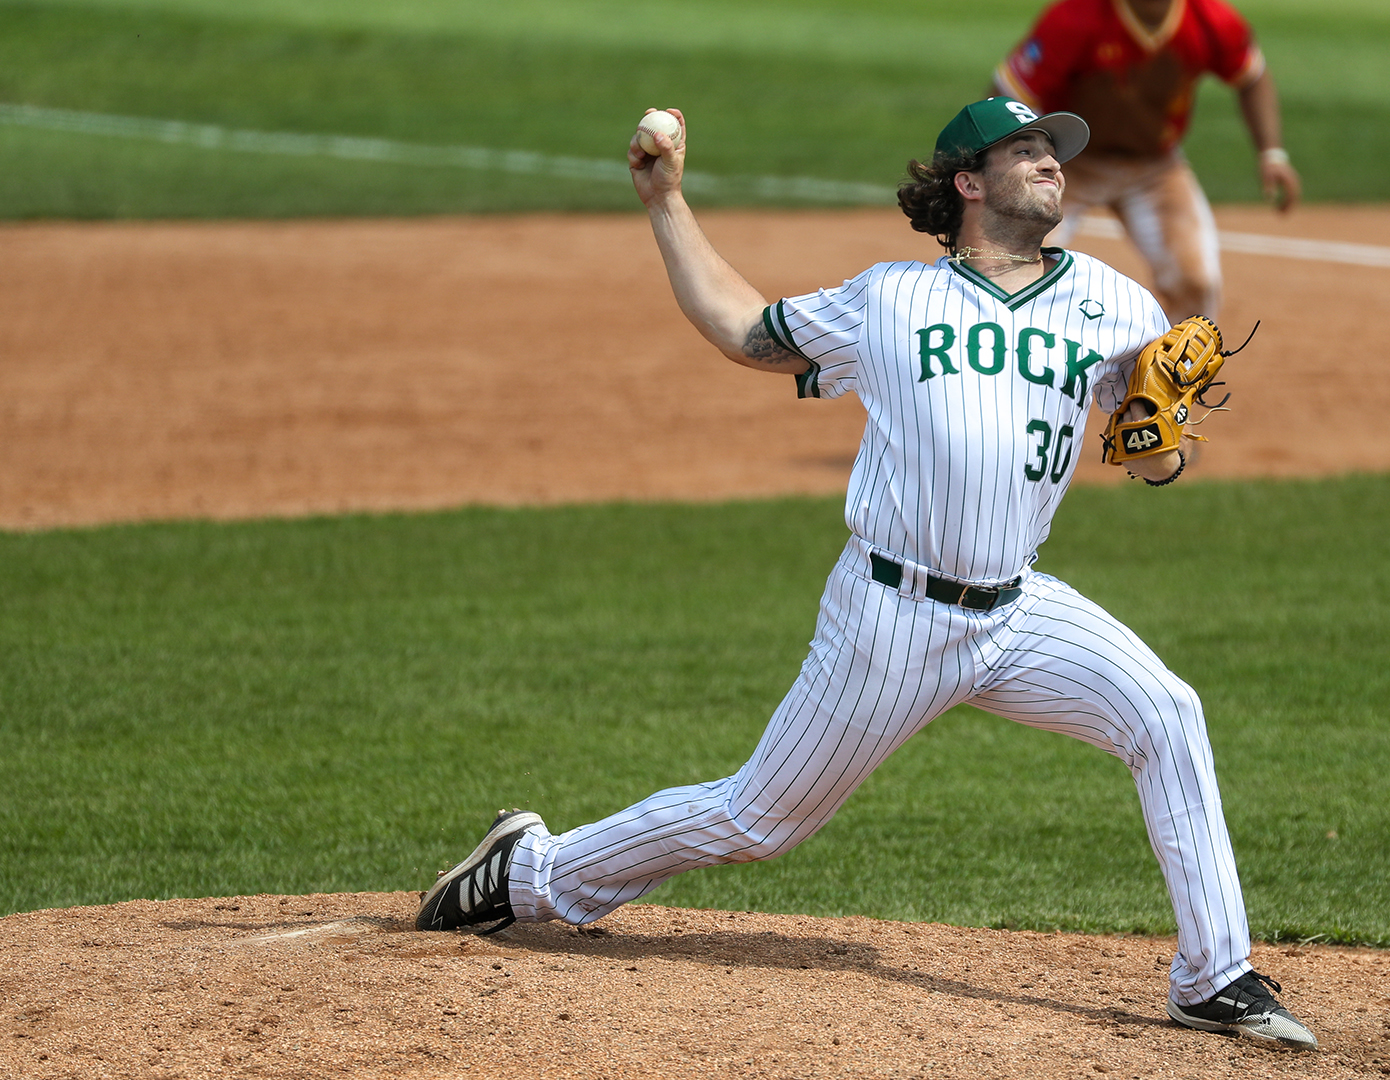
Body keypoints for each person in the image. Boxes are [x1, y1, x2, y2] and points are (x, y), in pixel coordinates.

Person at [414, 96, 1317, 1051]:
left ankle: (1214, 976)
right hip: (892, 616)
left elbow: (1154, 461)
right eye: (1025, 150)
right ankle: (528, 872)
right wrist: (666, 202)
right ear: (968, 182)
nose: (1051, 162)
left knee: (1166, 713)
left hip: (1018, 611)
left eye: (1054, 150)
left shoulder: (1118, 304)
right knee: (758, 819)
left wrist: (1158, 443)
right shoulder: (890, 299)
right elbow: (739, 327)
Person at [993, 0, 1301, 321]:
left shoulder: (1211, 19)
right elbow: (1009, 92)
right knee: (1011, 262)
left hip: (1155, 167)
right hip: (1064, 161)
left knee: (1197, 283)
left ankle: (1183, 369)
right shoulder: (1075, 17)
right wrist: (1002, 168)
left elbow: (1252, 77)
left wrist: (1272, 154)